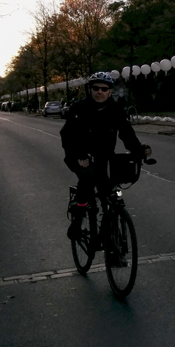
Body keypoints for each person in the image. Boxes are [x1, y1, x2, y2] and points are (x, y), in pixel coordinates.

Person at [61, 71, 152, 240]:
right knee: (87, 183)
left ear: (110, 91)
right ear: (90, 89)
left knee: (107, 192)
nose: (100, 92)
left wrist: (138, 150)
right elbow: (67, 135)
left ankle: (109, 234)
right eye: (96, 88)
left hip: (104, 157)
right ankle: (79, 217)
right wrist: (80, 154)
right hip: (79, 155)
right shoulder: (79, 109)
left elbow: (126, 133)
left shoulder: (115, 109)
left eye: (104, 89)